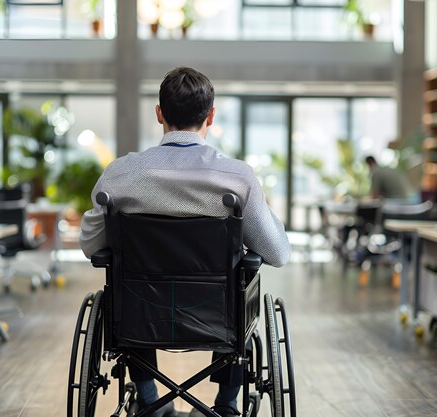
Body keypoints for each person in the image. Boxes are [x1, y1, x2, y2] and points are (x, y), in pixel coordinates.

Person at [80, 67, 291, 417]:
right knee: (243, 277)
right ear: (211, 115)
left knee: (127, 282)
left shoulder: (119, 176)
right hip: (218, 315)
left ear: (159, 113)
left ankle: (150, 401)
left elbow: (90, 245)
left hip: (140, 315)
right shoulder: (237, 179)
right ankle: (225, 405)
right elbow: (277, 254)